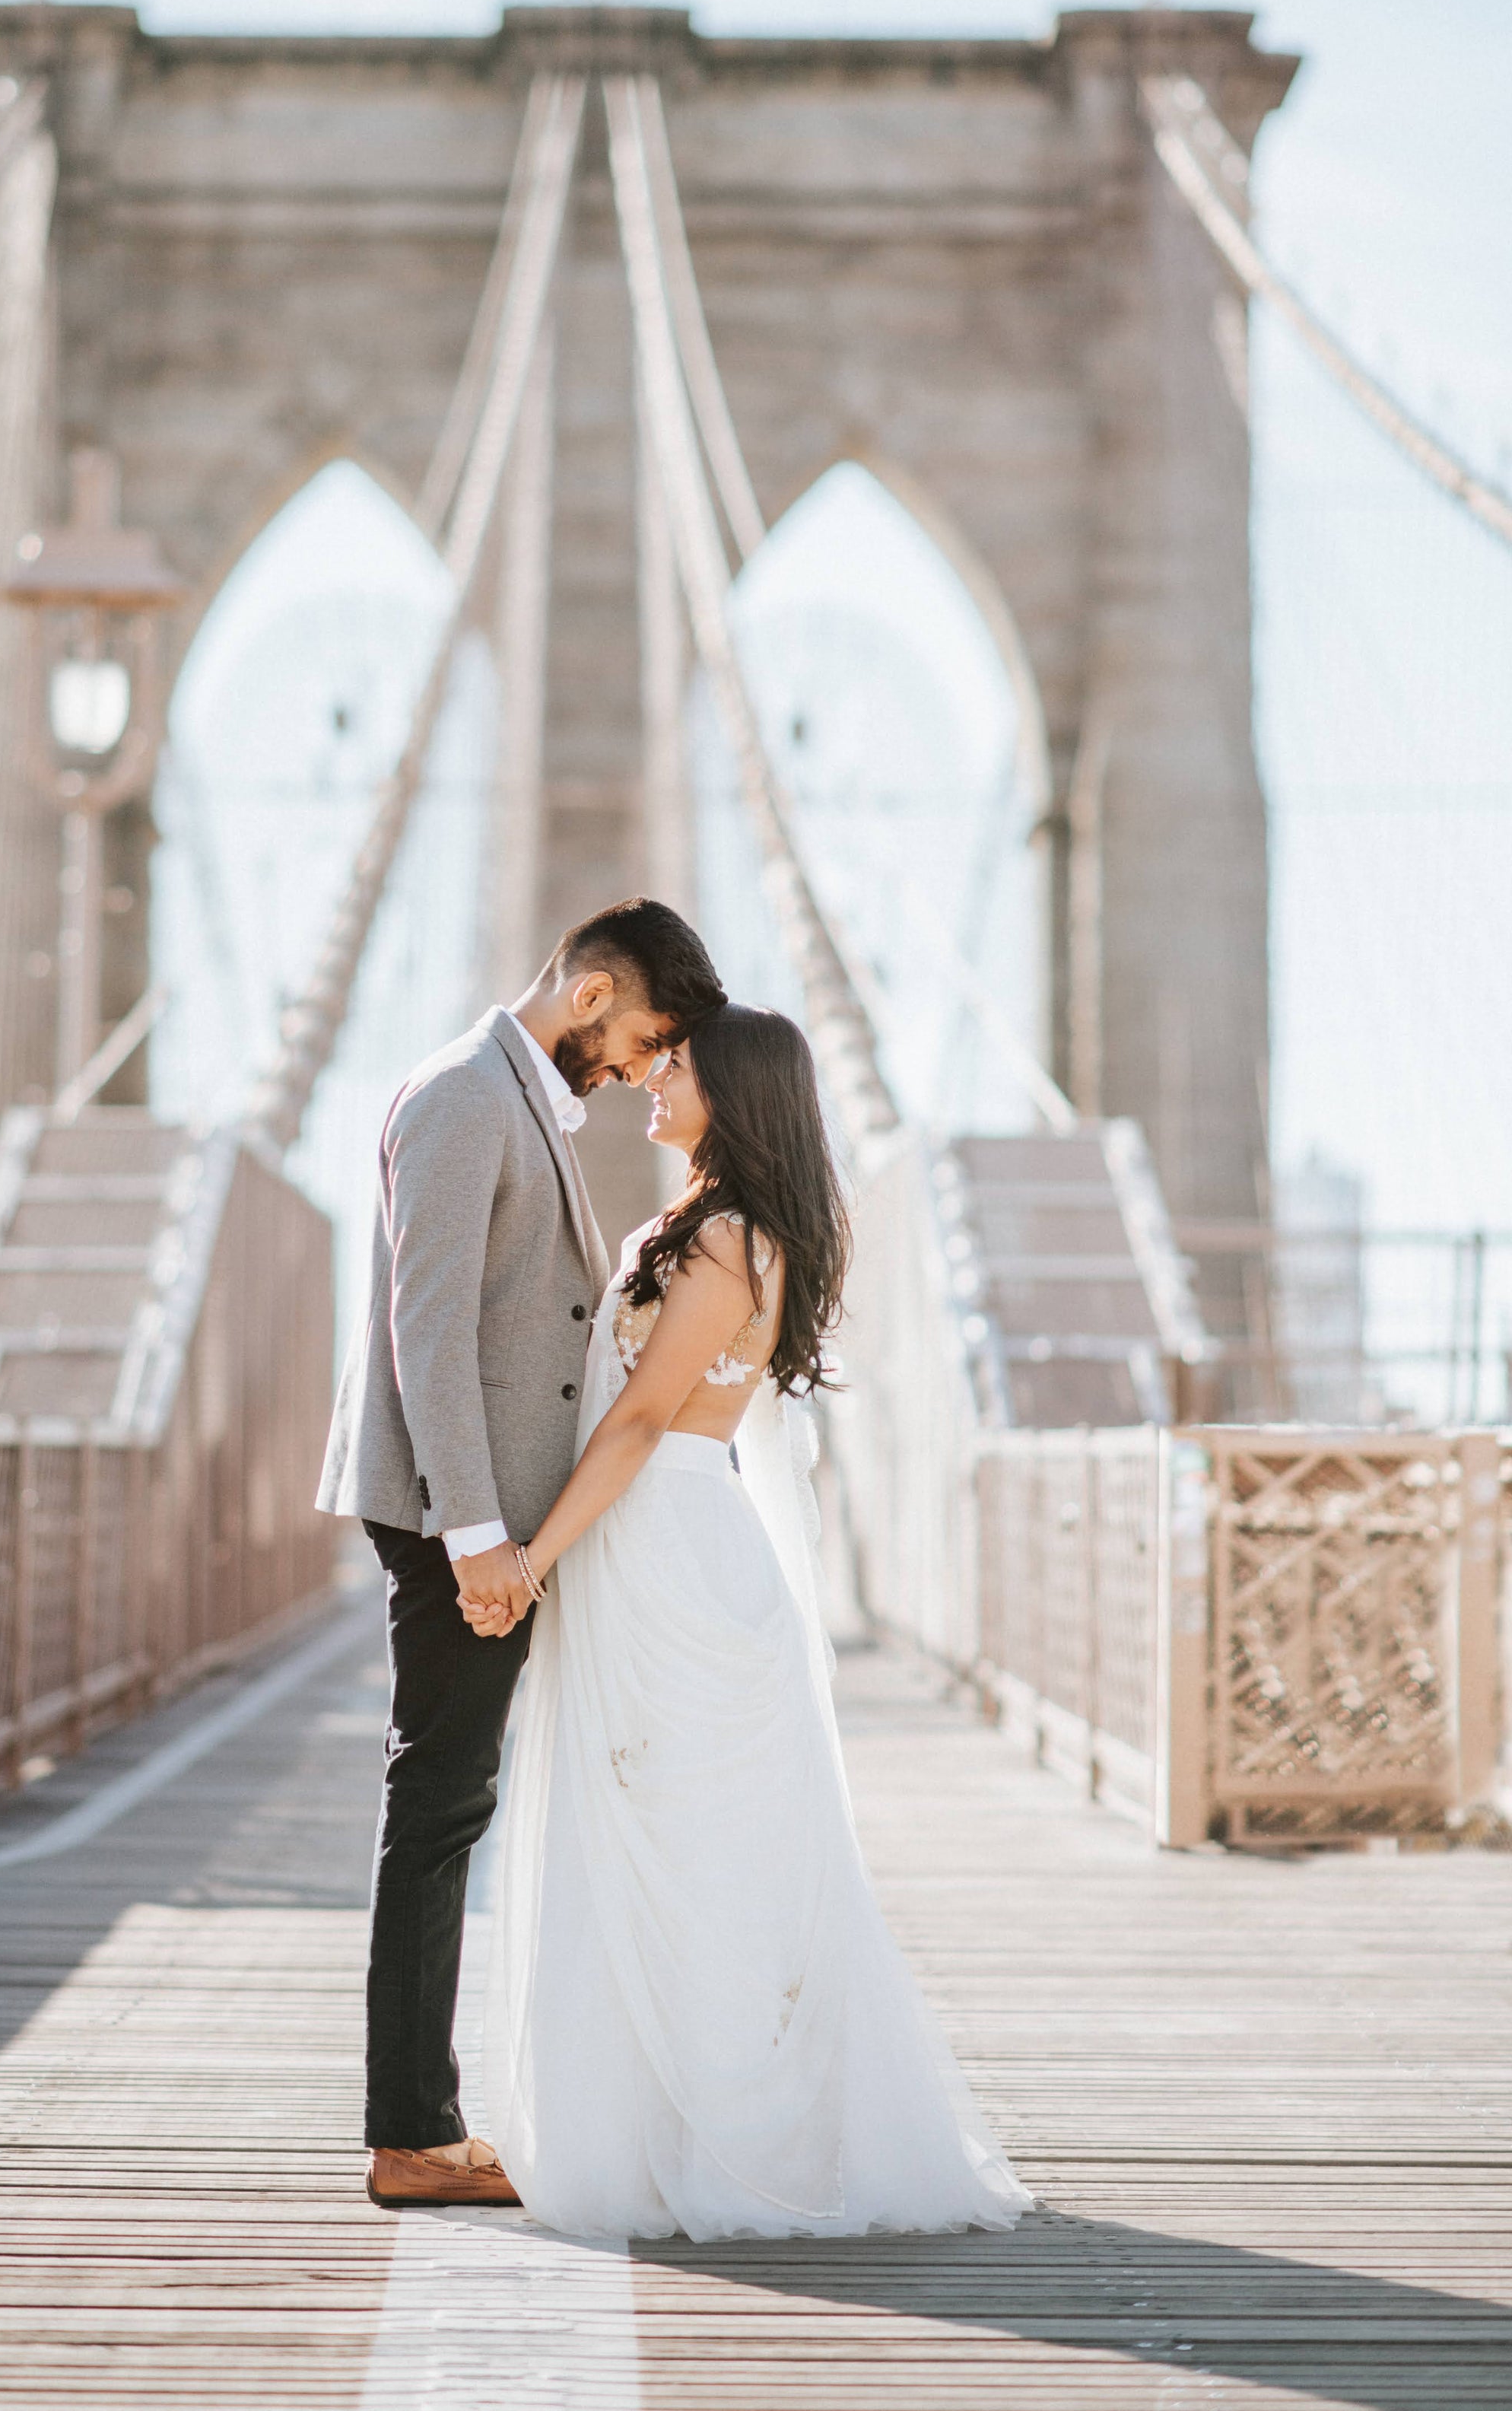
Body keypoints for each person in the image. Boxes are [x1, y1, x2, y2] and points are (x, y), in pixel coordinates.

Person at [471, 1003, 1030, 2240]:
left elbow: (638, 1422)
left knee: (685, 1846)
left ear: (731, 1090)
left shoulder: (725, 1239)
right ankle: (652, 2126)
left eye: (673, 1067)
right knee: (650, 1832)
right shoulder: (712, 1226)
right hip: (659, 1540)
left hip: (664, 1549)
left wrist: (525, 1563)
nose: (652, 1083)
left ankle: (716, 2143)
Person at [316, 897, 726, 2209]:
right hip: (463, 1517)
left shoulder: (515, 1098)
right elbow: (425, 1332)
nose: (636, 1072)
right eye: (644, 1039)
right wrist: (477, 1538)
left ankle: (425, 2121)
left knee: (455, 1802)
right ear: (594, 994)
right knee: (437, 1805)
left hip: (489, 1513)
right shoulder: (457, 1096)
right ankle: (411, 2135)